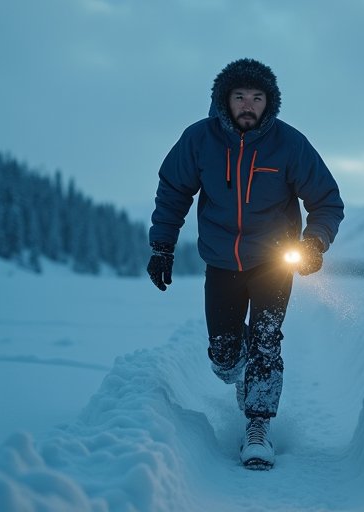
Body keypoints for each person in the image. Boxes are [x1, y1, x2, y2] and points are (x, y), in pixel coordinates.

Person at [146, 58, 344, 469]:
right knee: (224, 356)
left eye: (257, 97)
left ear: (269, 102)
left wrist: (314, 242)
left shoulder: (290, 144)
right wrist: (162, 246)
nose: (248, 105)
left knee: (267, 340)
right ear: (225, 100)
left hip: (274, 261)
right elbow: (173, 193)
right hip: (221, 262)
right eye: (240, 97)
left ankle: (258, 425)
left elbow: (326, 200)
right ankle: (240, 366)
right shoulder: (199, 140)